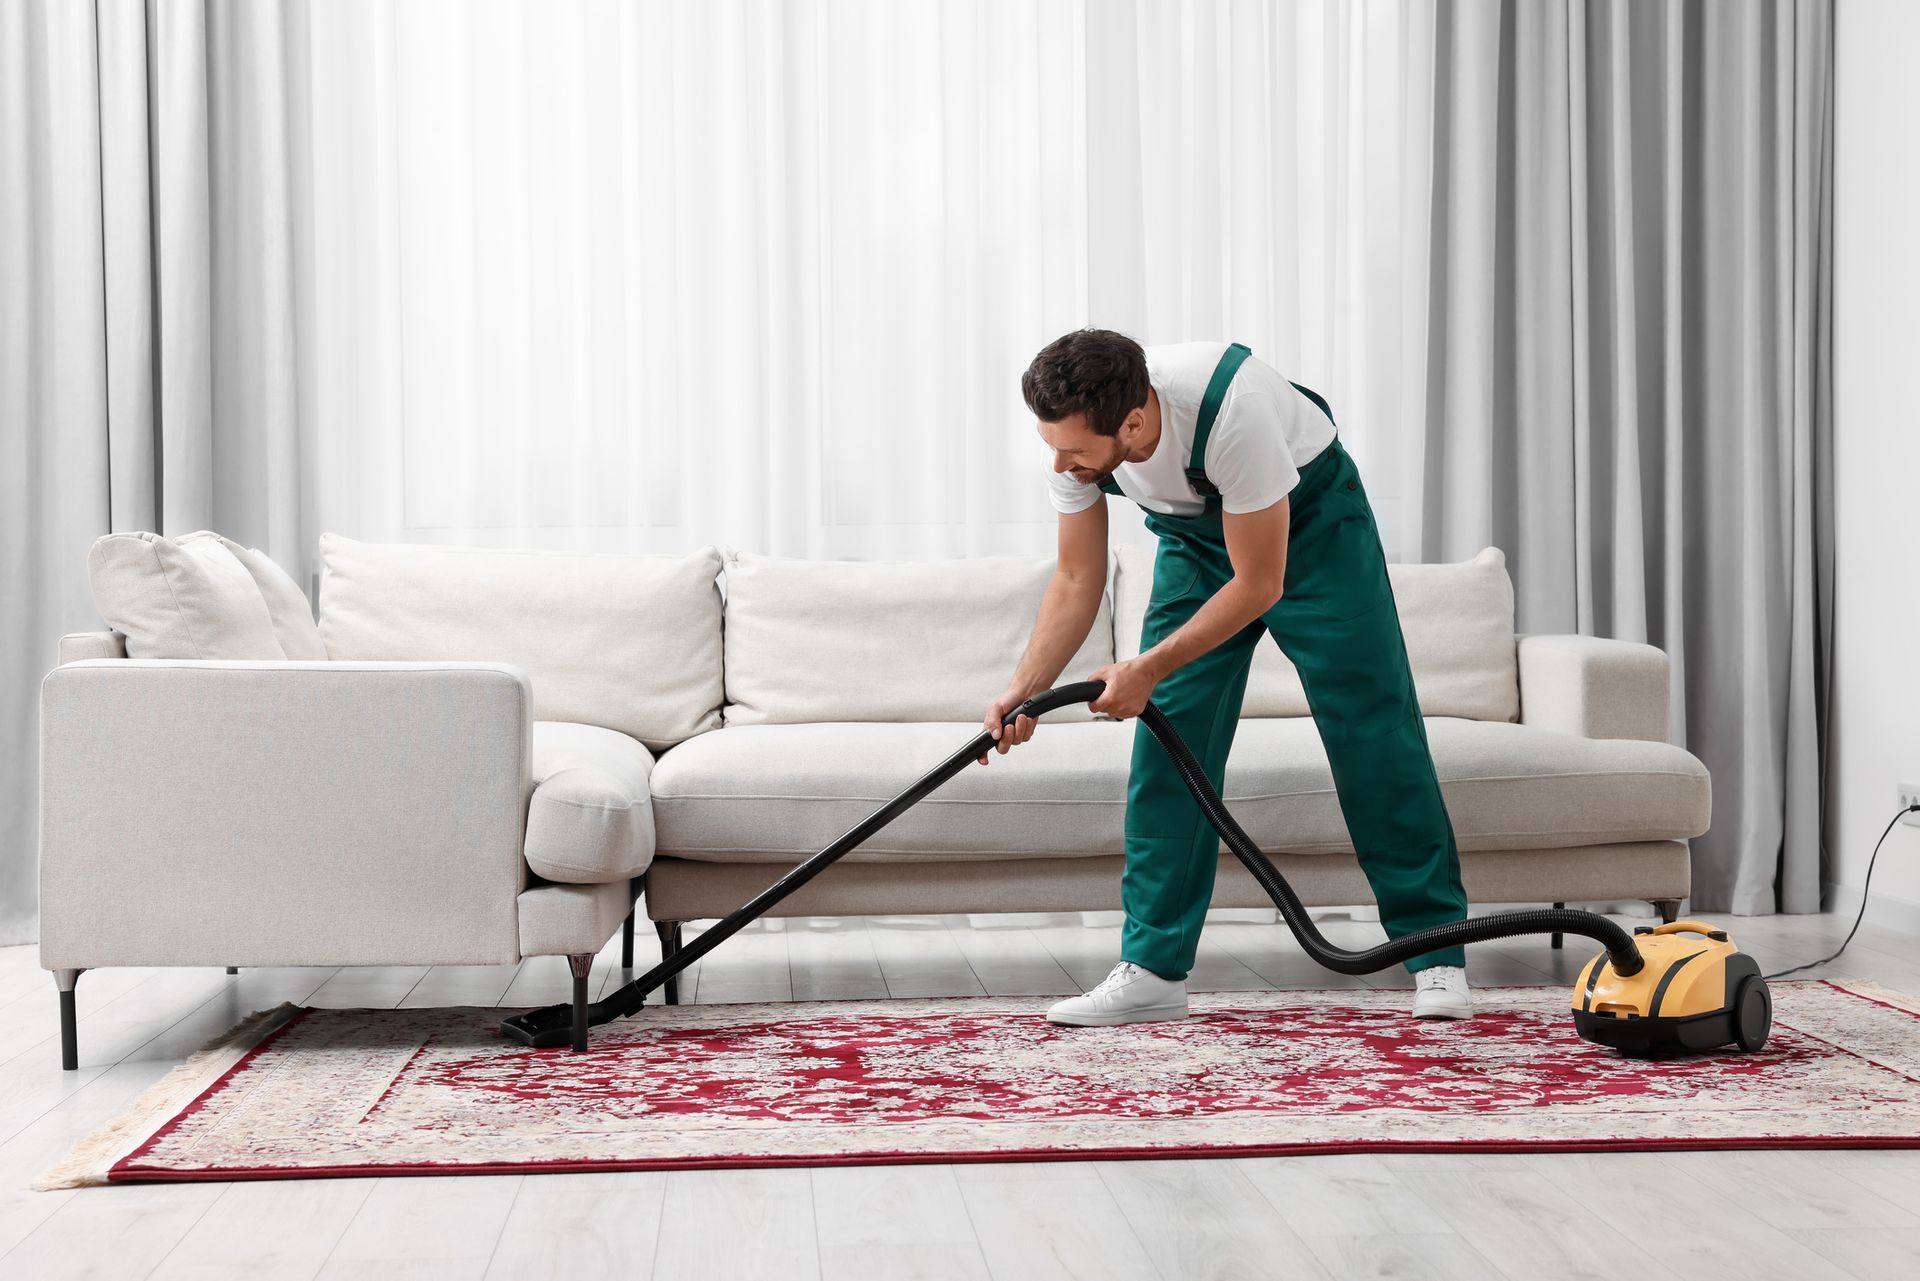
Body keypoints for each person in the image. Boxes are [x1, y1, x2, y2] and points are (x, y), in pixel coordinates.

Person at [980, 328, 1473, 1025]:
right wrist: (1025, 686)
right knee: (1170, 745)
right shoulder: (1076, 449)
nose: (1058, 462)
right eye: (1051, 444)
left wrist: (1145, 667)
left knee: (1372, 728)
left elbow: (1260, 582)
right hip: (1195, 539)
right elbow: (1076, 577)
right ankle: (1152, 969)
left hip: (1314, 527)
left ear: (1135, 421)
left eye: (1074, 449)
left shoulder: (1229, 408)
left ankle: (1436, 951)